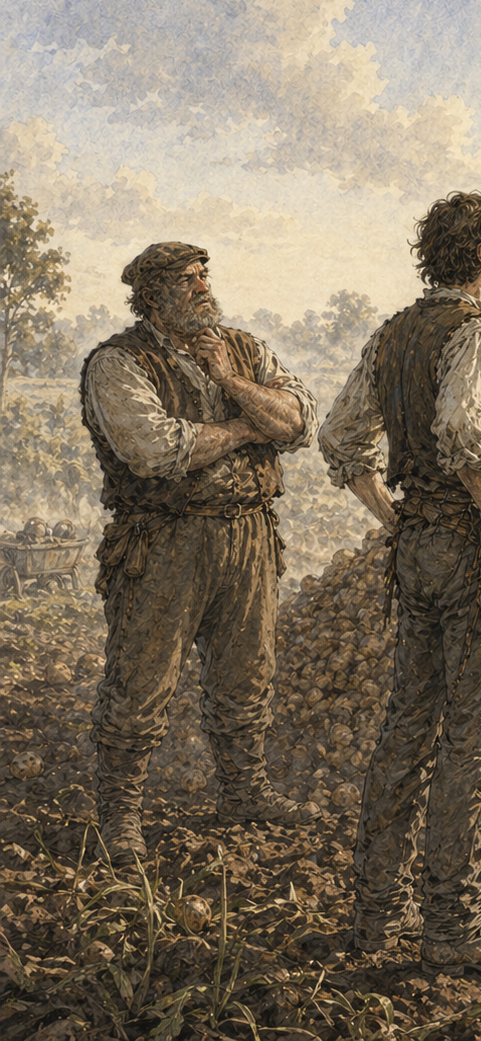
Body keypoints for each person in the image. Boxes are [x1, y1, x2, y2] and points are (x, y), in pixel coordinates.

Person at [320, 190, 481, 973]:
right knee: (478, 741)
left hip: (417, 546)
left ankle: (378, 914)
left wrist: (391, 515)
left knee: (407, 730)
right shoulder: (480, 333)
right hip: (473, 556)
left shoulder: (396, 332)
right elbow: (462, 427)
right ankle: (453, 929)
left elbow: (340, 434)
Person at [81, 242, 319, 861]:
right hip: (165, 539)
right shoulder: (118, 363)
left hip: (249, 533)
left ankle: (244, 790)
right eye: (188, 280)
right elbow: (157, 450)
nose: (203, 286)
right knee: (142, 676)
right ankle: (120, 813)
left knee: (248, 669)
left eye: (205, 275)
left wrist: (231, 383)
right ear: (153, 295)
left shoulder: (242, 348)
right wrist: (247, 426)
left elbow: (297, 424)